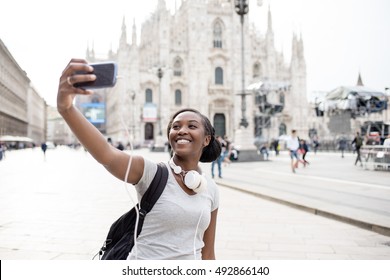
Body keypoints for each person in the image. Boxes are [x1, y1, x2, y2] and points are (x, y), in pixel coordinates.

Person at [57, 59, 222, 260]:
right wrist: (66, 108)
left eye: (192, 126)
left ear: (206, 139)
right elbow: (106, 154)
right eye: (176, 126)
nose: (182, 131)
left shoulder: (210, 189)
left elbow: (208, 252)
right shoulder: (151, 173)